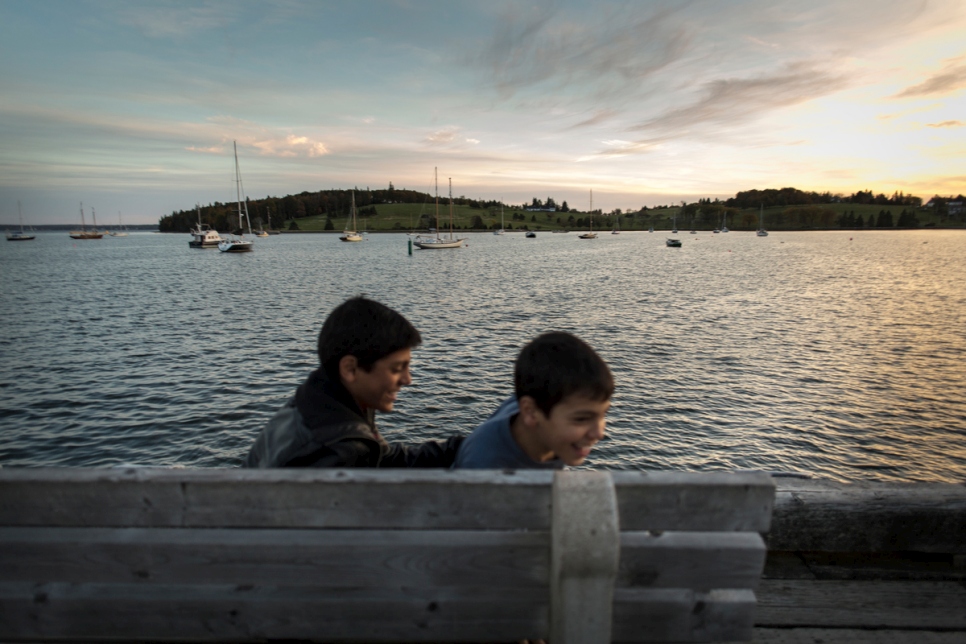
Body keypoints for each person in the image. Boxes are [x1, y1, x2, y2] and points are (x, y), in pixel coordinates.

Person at [243, 296, 463, 468]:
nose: (408, 380)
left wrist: (457, 448)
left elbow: (385, 461)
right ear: (350, 369)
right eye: (397, 369)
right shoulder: (337, 449)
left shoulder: (319, 401)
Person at [454, 331, 613, 469]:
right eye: (581, 419)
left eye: (603, 414)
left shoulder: (540, 400)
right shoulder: (485, 469)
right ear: (530, 412)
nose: (599, 433)